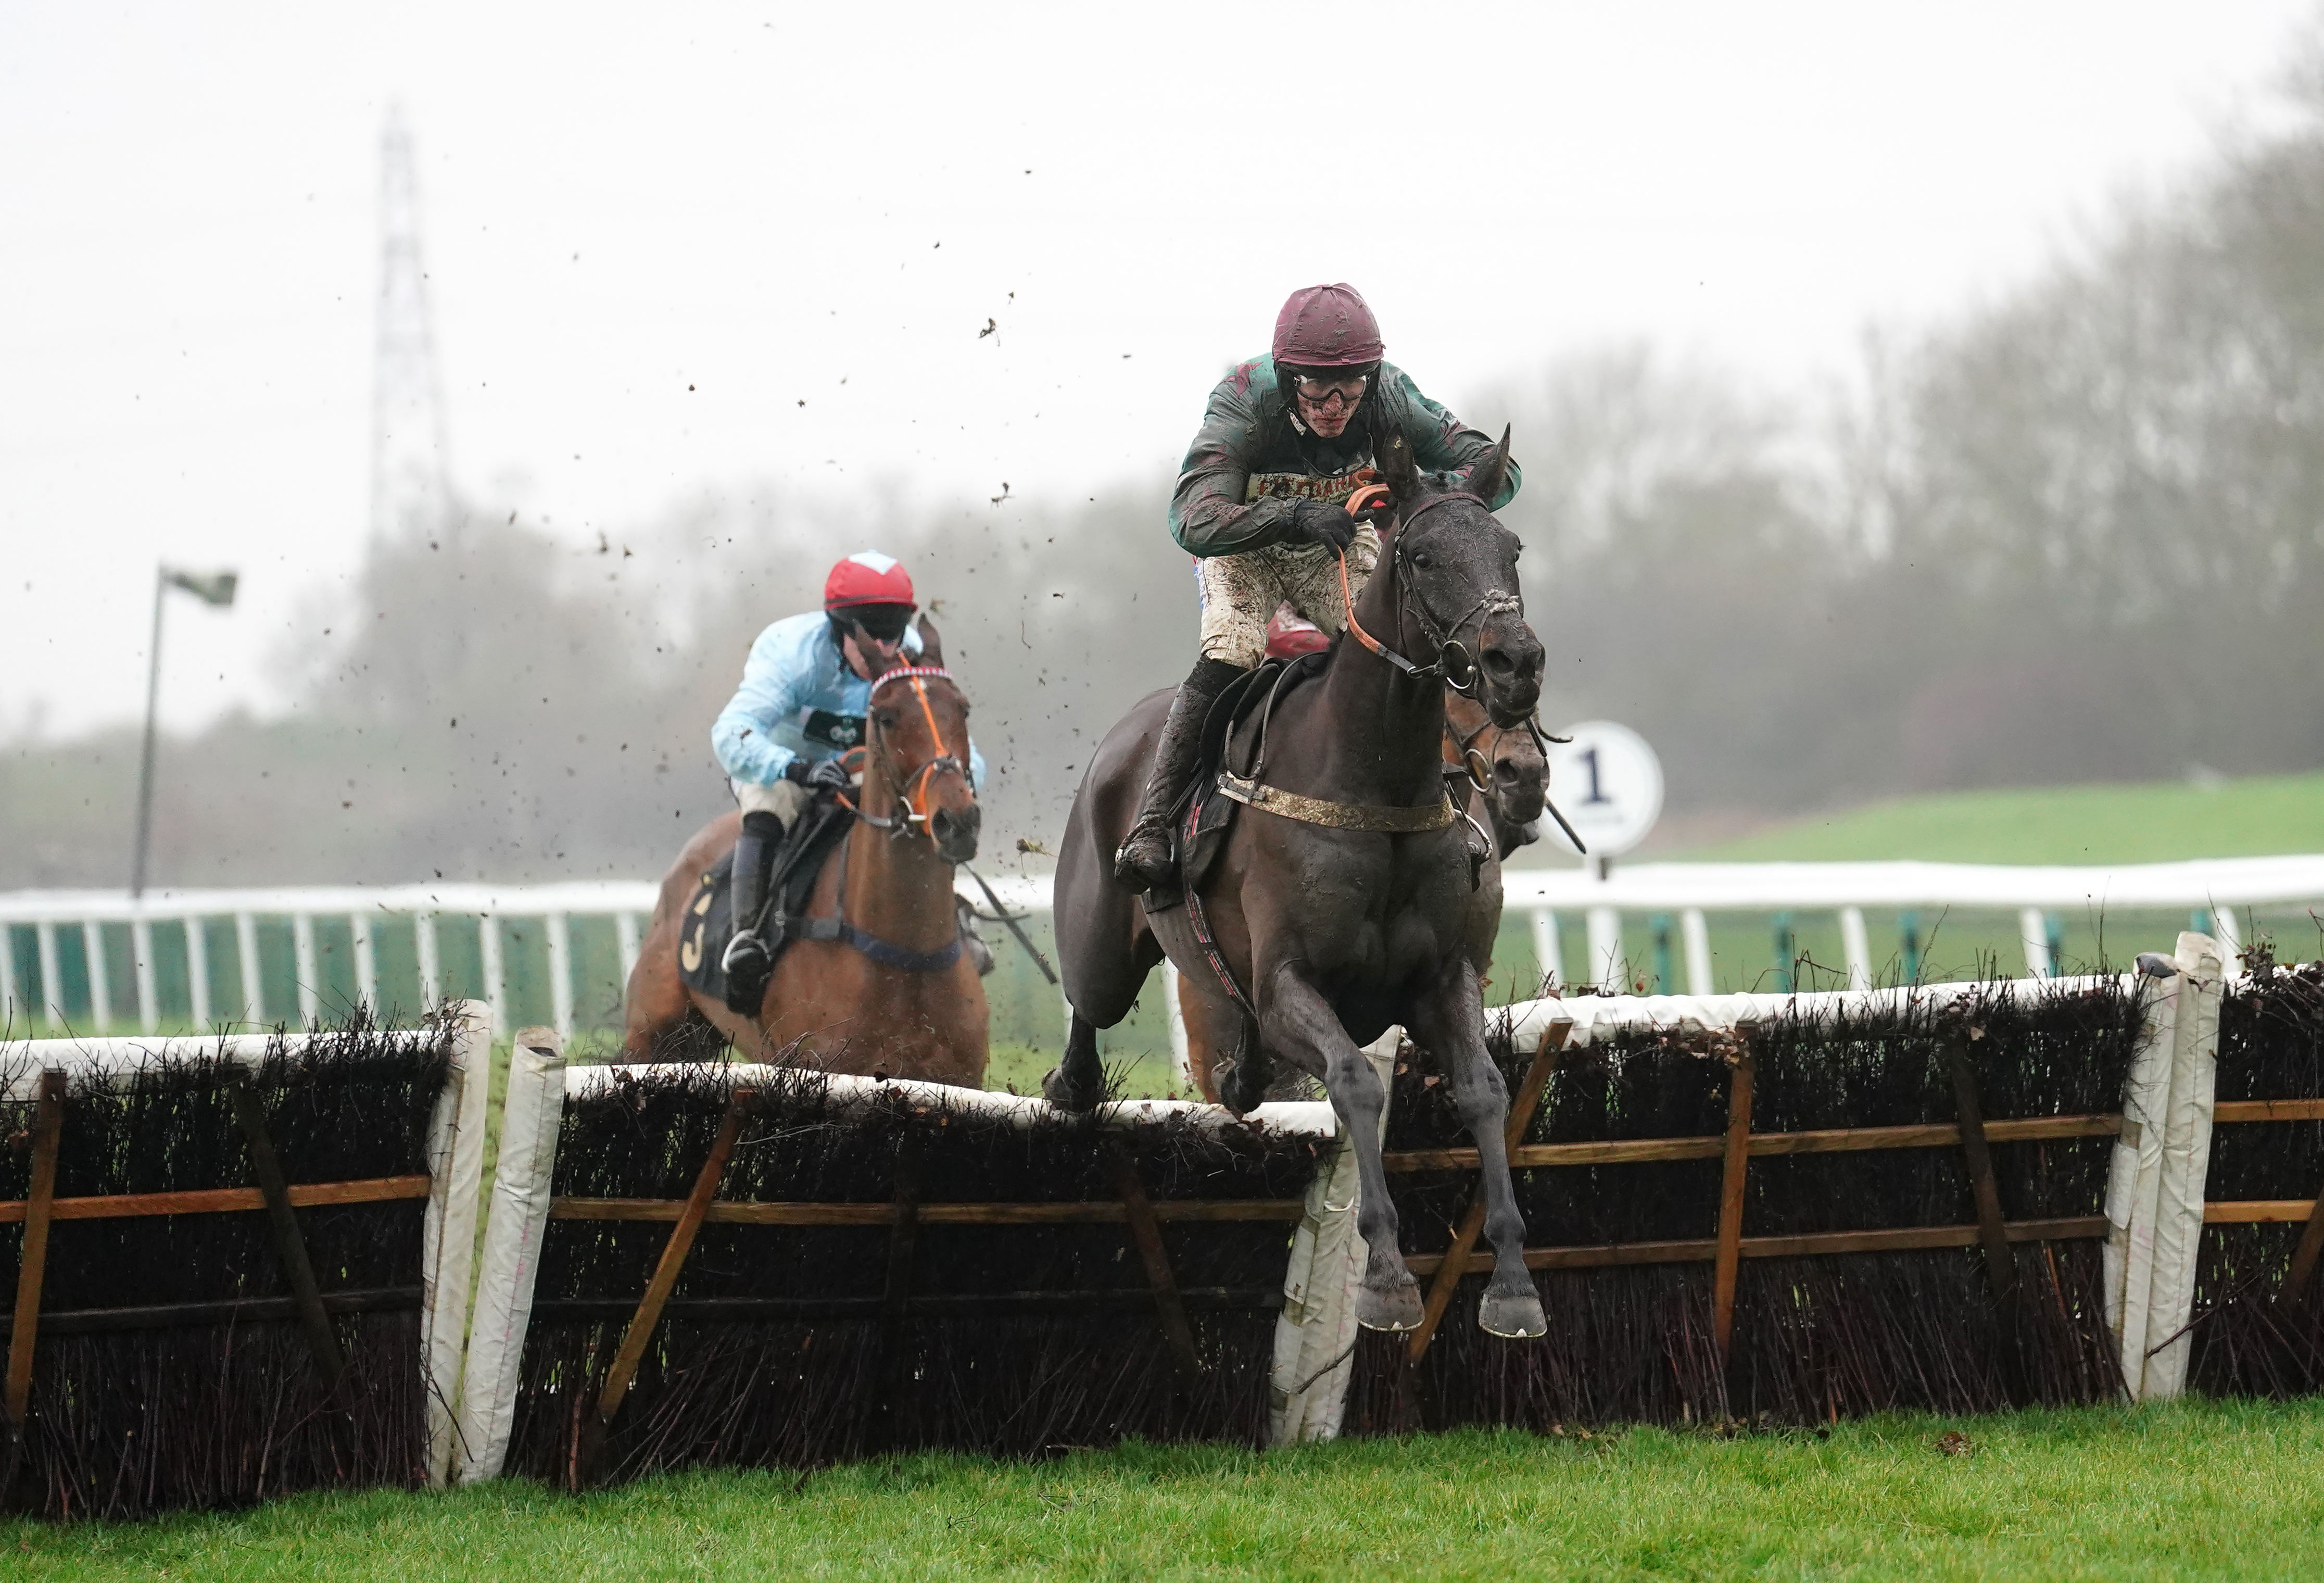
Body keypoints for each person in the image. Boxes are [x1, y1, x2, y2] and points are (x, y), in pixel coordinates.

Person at [1112, 283, 1522, 891]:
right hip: (1245, 549)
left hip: (1336, 542)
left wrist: (1421, 496)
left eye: (1351, 388)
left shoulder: (1392, 395)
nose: (1335, 406)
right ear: (1286, 379)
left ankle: (1446, 803)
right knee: (1232, 648)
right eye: (1316, 388)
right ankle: (1153, 820)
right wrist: (1295, 515)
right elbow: (1191, 519)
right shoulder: (1244, 400)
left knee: (1401, 643)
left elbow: (1498, 469)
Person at [711, 549, 986, 1010]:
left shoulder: (915, 656)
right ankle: (748, 938)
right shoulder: (791, 653)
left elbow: (952, 746)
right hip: (783, 766)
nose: (883, 649)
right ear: (839, 629)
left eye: (890, 635)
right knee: (769, 805)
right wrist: (797, 768)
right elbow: (733, 731)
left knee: (922, 807)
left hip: (865, 771)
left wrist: (955, 785)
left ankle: (951, 918)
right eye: (869, 637)